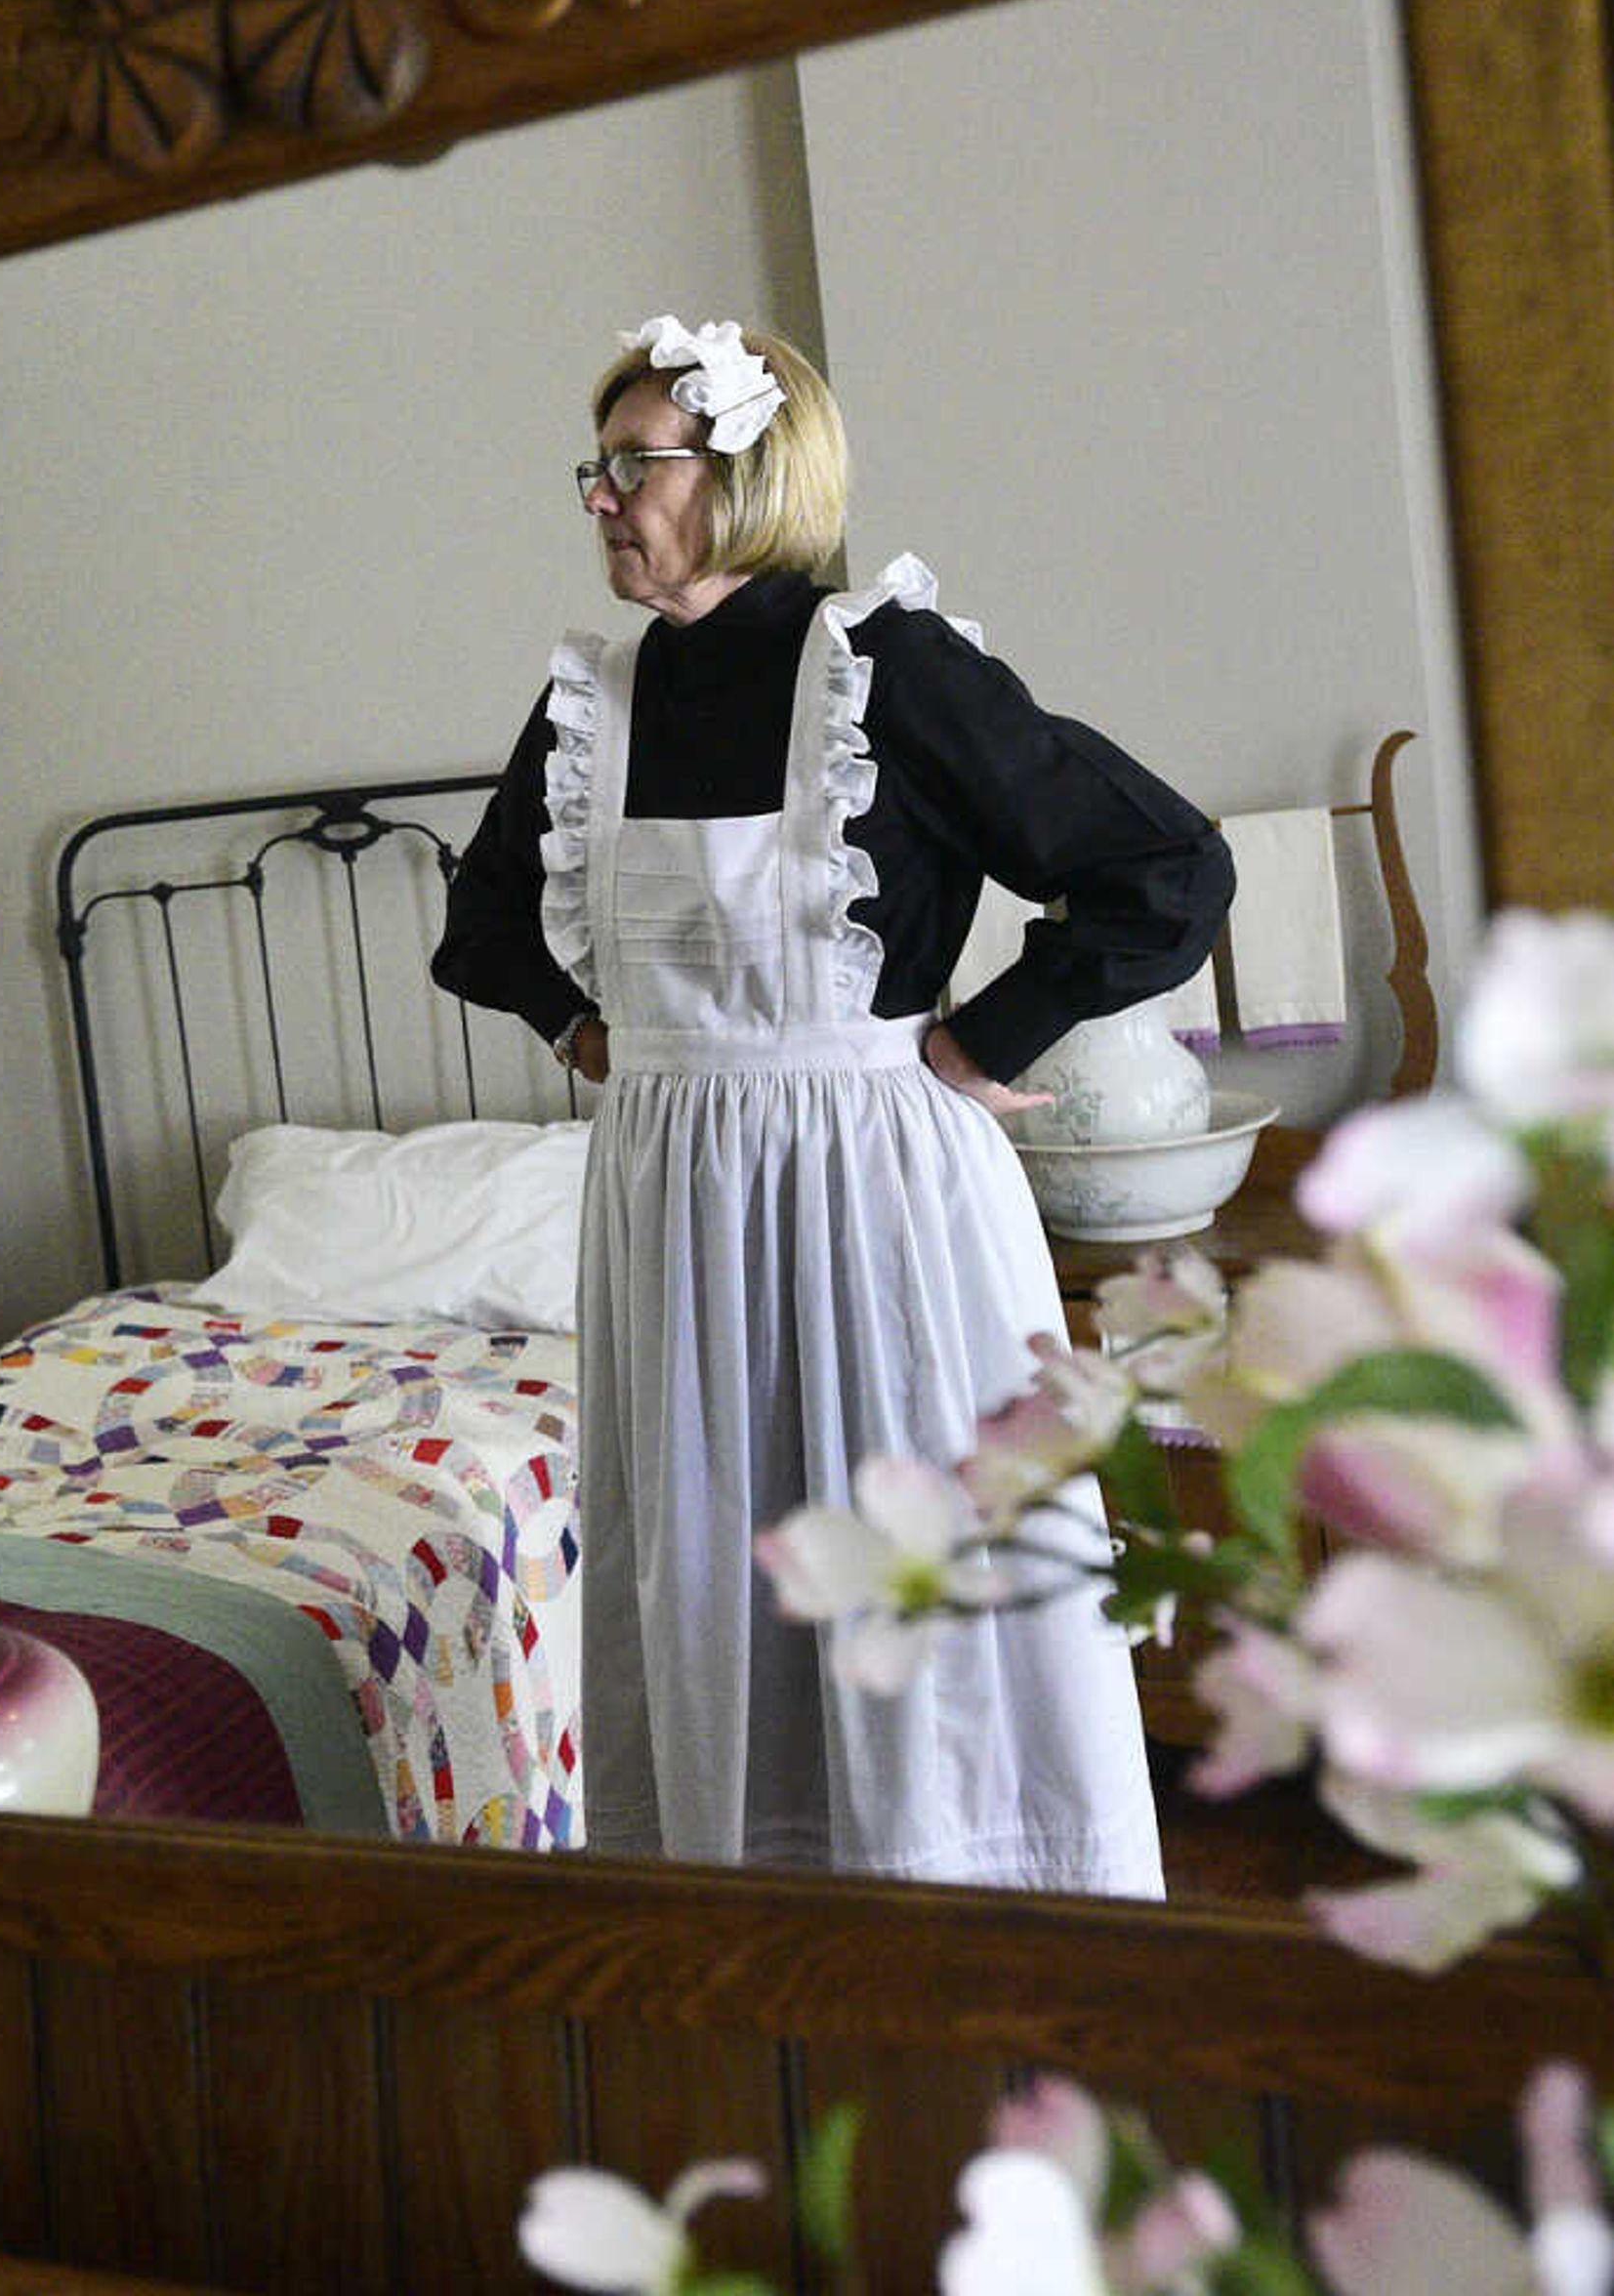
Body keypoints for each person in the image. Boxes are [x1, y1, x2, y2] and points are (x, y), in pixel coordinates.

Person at [431, 314, 1229, 1893]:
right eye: (595, 467)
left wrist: (986, 1037)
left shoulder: (889, 672)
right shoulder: (598, 704)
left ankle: (986, 1934)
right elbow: (480, 931)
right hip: (668, 1210)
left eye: (631, 464)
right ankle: (767, 1938)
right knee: (716, 1576)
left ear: (741, 472)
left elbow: (1167, 869)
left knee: (917, 1574)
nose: (597, 496)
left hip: (880, 1203)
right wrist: (603, 1037)